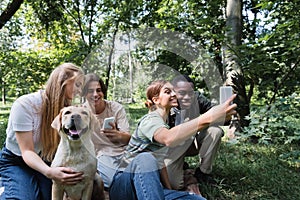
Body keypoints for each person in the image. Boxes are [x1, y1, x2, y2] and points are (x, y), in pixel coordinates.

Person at [109, 80, 237, 200]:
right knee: (146, 158)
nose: (174, 94)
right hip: (124, 187)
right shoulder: (150, 120)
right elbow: (168, 138)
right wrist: (209, 117)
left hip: (148, 186)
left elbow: (161, 162)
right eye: (167, 91)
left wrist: (169, 190)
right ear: (156, 100)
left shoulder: (164, 122)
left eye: (173, 91)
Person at [0, 63, 85, 200]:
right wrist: (50, 172)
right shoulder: (25, 105)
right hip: (17, 160)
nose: (80, 91)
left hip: (45, 159)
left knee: (49, 196)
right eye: (78, 85)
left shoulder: (67, 110)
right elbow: (27, 151)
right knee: (23, 197)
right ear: (63, 83)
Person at [165, 75, 225, 193]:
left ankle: (203, 173)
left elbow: (224, 119)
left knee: (215, 131)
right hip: (170, 149)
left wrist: (224, 111)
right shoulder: (164, 104)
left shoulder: (197, 99)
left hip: (191, 143)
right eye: (182, 93)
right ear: (173, 93)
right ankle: (183, 169)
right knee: (174, 184)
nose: (187, 97)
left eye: (190, 93)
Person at [81, 73, 131, 190]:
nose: (95, 94)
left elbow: (129, 138)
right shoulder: (81, 112)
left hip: (122, 151)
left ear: (103, 92)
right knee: (111, 181)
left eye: (98, 90)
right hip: (101, 154)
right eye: (90, 91)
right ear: (84, 94)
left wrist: (118, 135)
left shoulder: (115, 108)